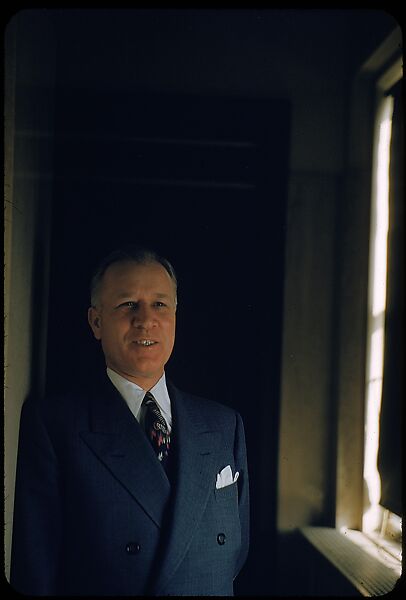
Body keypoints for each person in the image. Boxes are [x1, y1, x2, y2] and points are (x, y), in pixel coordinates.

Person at [10, 246, 250, 596]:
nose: (145, 320)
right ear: (96, 322)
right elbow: (37, 574)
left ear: (175, 317)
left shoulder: (225, 425)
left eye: (160, 304)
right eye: (128, 304)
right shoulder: (55, 427)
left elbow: (235, 557)